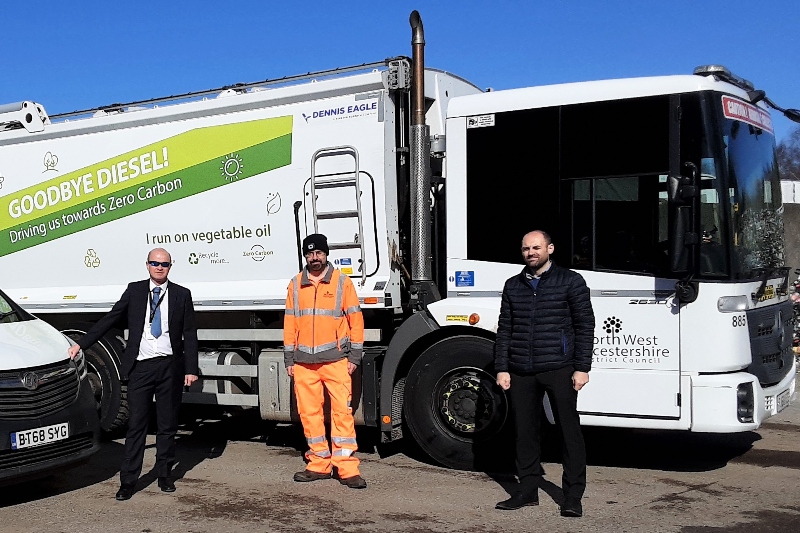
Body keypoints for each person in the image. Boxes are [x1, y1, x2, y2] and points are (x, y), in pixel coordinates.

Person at [68, 248, 198, 501]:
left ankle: (164, 475)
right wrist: (82, 344)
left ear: (171, 266)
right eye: (155, 263)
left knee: (167, 425)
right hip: (141, 368)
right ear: (147, 265)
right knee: (136, 425)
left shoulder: (182, 295)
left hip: (170, 366)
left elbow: (190, 333)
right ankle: (128, 481)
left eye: (165, 264)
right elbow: (110, 319)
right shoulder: (136, 291)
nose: (160, 268)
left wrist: (191, 369)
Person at [494, 231, 595, 517]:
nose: (531, 253)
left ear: (550, 248)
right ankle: (527, 492)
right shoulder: (513, 285)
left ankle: (573, 495)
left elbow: (585, 325)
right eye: (526, 248)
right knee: (524, 433)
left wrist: (582, 367)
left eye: (536, 247)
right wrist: (502, 367)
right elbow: (505, 329)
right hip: (521, 370)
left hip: (559, 367)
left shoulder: (571, 281)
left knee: (568, 431)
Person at [284, 233, 367, 489]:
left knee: (342, 414)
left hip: (336, 361)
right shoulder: (296, 284)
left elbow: (356, 320)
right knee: (310, 415)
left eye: (318, 253)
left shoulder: (343, 283)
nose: (314, 258)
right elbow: (290, 322)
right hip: (303, 363)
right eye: (309, 254)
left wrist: (354, 355)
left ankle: (347, 469)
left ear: (326, 254)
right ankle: (318, 464)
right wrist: (289, 357)